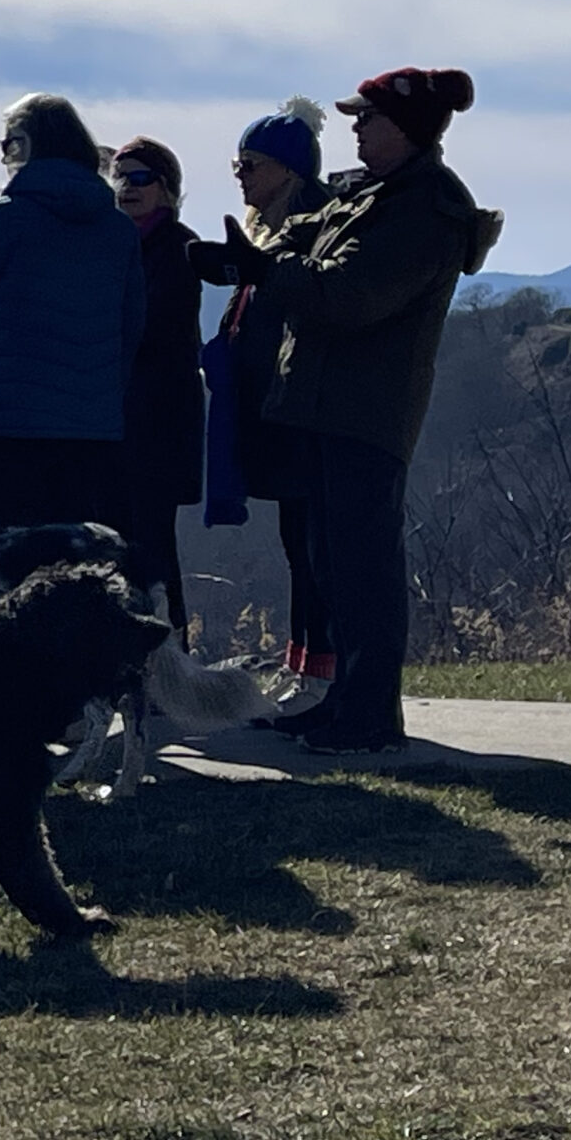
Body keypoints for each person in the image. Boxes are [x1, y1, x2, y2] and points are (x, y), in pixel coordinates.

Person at [191, 67, 503, 754]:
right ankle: (344, 704)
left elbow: (352, 295)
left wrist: (264, 271)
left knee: (363, 569)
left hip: (367, 414)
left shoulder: (426, 207)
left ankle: (369, 716)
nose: (355, 130)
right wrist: (246, 261)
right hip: (326, 407)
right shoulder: (373, 196)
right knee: (330, 562)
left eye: (367, 118)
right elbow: (303, 238)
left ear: (405, 128)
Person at [196, 100, 337, 700]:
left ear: (287, 169)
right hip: (274, 406)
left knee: (312, 547)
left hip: (302, 409)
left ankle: (320, 670)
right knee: (295, 542)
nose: (240, 174)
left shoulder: (310, 224)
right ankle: (302, 662)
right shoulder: (271, 227)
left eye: (251, 163)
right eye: (237, 162)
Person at [0, 93, 146, 541]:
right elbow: (132, 325)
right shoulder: (119, 229)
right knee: (78, 561)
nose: (5, 156)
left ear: (29, 146)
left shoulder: (8, 220)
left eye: (9, 144)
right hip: (92, 431)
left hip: (9, 427)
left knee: (10, 564)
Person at [111, 135, 202, 642]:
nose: (127, 188)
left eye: (140, 177)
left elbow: (150, 327)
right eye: (119, 177)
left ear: (166, 189)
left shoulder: (179, 248)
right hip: (118, 422)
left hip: (158, 424)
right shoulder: (115, 245)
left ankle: (172, 656)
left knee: (153, 547)